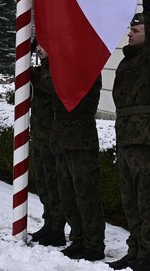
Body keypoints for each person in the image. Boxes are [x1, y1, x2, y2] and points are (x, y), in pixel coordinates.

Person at [107, 0, 150, 271]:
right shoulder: (127, 62)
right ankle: (134, 251)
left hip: (144, 140)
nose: (129, 33)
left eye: (136, 30)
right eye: (131, 30)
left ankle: (145, 257)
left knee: (147, 203)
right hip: (126, 137)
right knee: (130, 202)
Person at [35, 42, 106, 262]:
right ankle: (78, 239)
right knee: (68, 195)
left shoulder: (87, 69)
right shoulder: (65, 69)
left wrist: (41, 67)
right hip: (62, 139)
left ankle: (93, 244)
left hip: (80, 140)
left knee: (85, 195)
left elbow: (55, 85)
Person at [28, 41, 66, 248]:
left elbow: (52, 87)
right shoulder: (41, 70)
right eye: (39, 45)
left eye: (45, 44)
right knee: (43, 183)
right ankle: (48, 223)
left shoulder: (57, 70)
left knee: (53, 184)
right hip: (40, 135)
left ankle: (57, 228)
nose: (41, 48)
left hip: (52, 136)